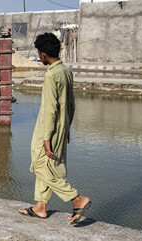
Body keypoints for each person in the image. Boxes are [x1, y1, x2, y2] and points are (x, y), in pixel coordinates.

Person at [19, 33, 91, 226]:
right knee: (49, 166)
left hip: (47, 129)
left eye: (38, 53)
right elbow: (71, 105)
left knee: (40, 164)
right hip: (61, 128)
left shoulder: (51, 74)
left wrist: (46, 138)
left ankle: (76, 198)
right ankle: (40, 207)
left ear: (43, 55)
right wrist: (66, 128)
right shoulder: (66, 71)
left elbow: (51, 109)